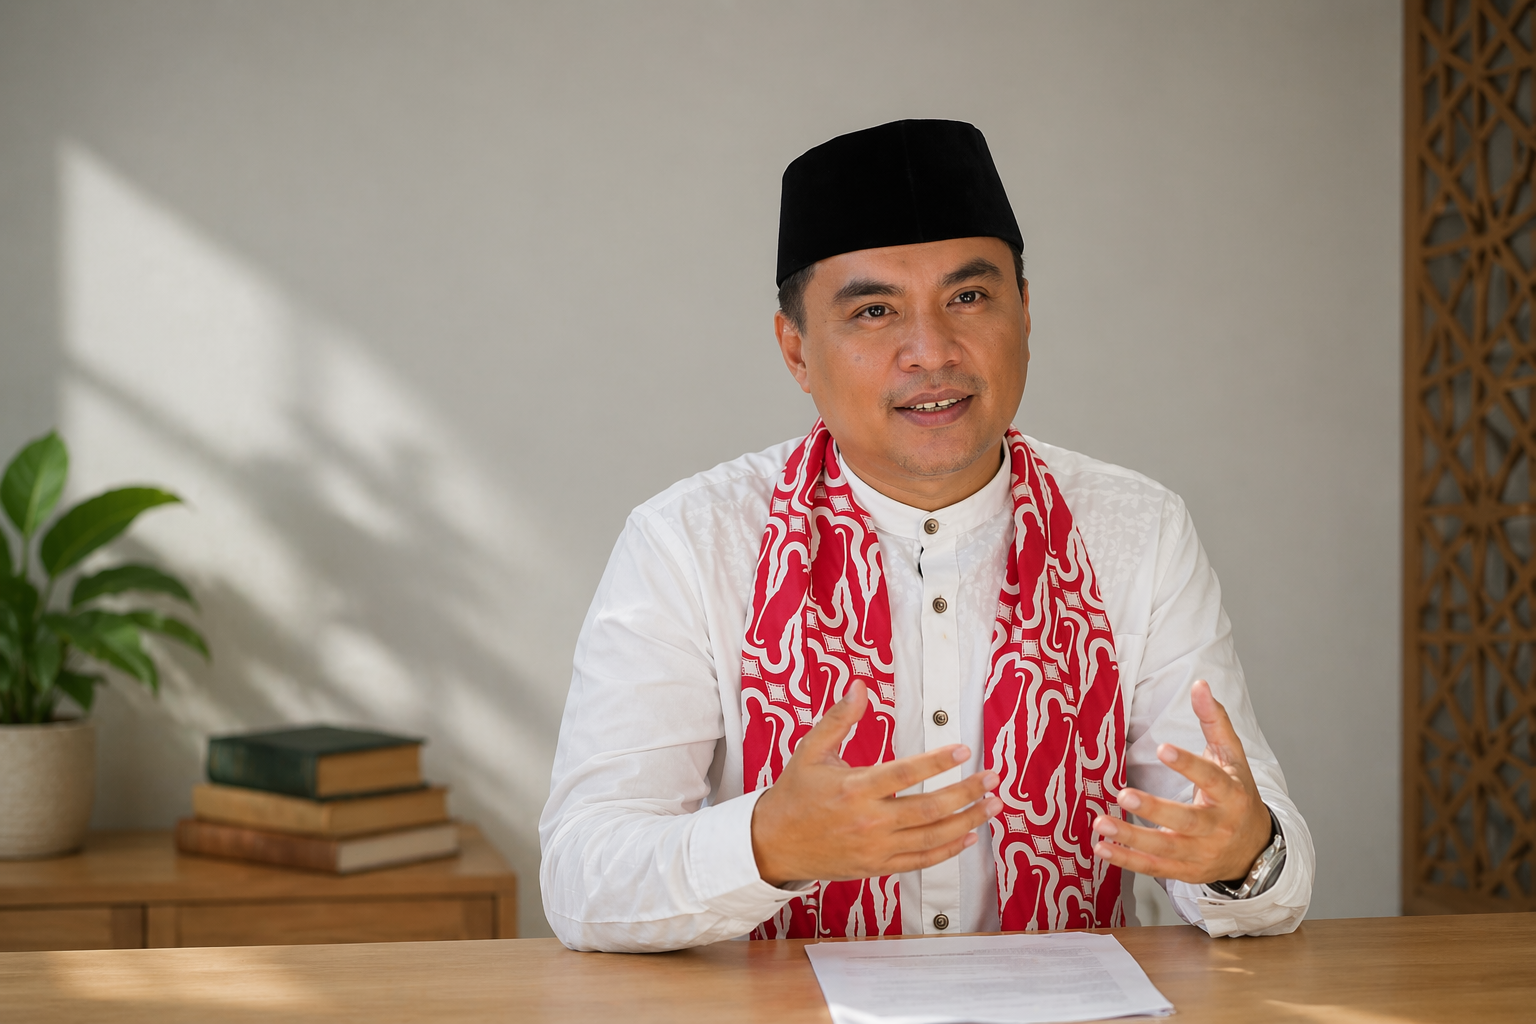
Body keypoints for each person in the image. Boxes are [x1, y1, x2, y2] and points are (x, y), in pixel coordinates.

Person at [540, 119, 1313, 953]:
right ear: (797, 352)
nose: (932, 351)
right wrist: (765, 844)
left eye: (968, 299)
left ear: (1025, 313)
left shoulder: (1137, 529)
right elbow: (583, 875)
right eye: (875, 311)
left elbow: (1253, 857)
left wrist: (1241, 856)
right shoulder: (689, 543)